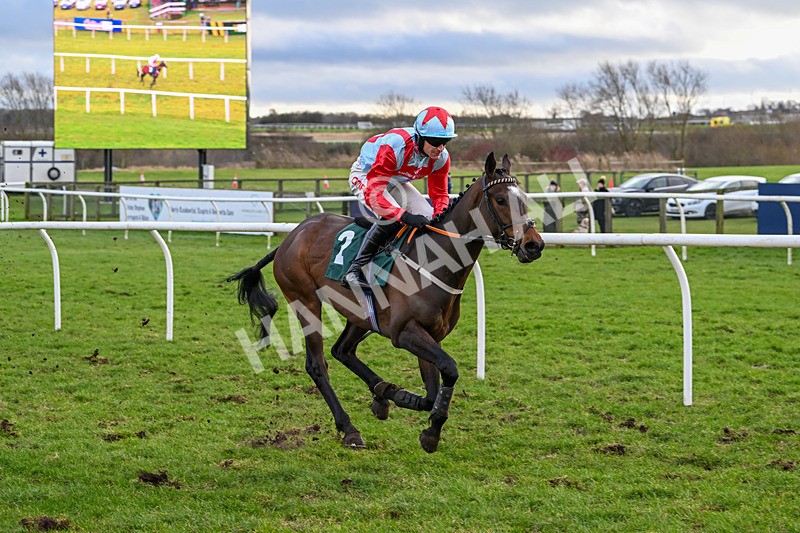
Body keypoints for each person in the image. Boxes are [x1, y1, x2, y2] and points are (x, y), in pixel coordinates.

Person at [342, 106, 457, 290]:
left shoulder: (442, 158)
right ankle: (354, 270)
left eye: (446, 141)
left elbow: (440, 194)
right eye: (436, 141)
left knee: (428, 216)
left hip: (395, 179)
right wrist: (404, 216)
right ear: (420, 137)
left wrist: (441, 216)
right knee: (392, 216)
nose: (440, 148)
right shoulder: (395, 147)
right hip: (367, 175)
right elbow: (375, 194)